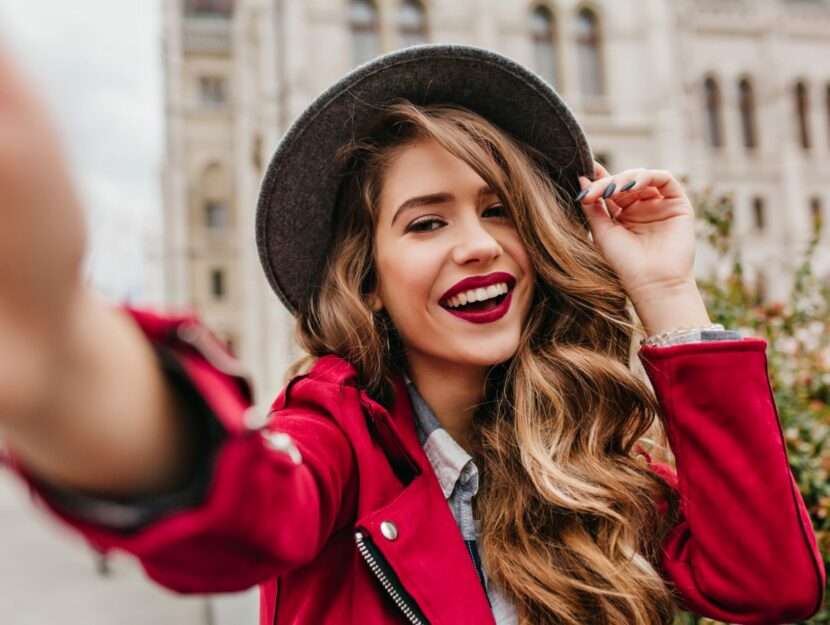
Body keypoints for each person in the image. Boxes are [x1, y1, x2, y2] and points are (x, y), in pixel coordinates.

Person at [0, 44, 824, 625]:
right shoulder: (336, 443)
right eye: (427, 221)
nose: (478, 242)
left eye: (499, 208)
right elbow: (242, 510)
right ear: (369, 278)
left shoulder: (582, 448)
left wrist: (668, 291)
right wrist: (62, 358)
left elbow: (769, 581)